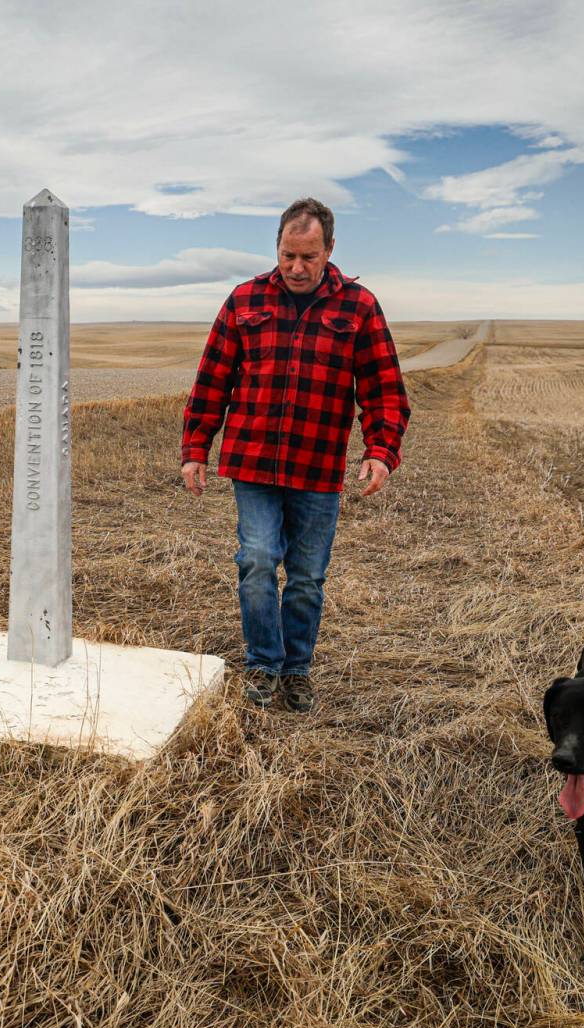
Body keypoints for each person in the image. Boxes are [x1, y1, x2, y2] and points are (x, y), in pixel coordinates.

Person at [180, 197, 410, 711]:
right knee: (258, 560)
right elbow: (212, 379)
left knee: (306, 578)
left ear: (330, 249)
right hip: (253, 462)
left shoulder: (359, 306)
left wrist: (381, 451)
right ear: (277, 248)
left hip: (318, 467)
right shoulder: (244, 300)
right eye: (288, 256)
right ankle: (263, 662)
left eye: (308, 257)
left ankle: (296, 669)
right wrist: (196, 446)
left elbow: (384, 390)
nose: (296, 268)